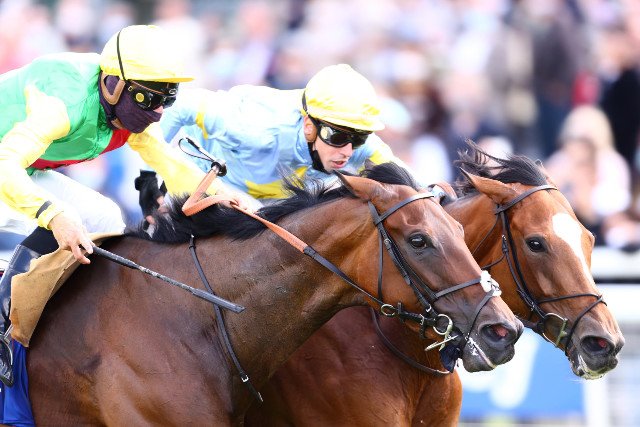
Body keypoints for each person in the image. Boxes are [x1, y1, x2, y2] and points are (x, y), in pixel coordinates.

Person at [0, 24, 245, 390]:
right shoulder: (63, 105)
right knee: (59, 217)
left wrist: (224, 199)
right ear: (113, 85)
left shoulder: (127, 110)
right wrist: (53, 215)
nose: (158, 111)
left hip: (21, 168)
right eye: (149, 99)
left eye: (168, 99)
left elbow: (170, 163)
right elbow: (5, 165)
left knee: (105, 218)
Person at [152, 64, 413, 208]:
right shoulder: (257, 127)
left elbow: (411, 184)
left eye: (359, 138)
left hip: (267, 203)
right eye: (337, 137)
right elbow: (181, 106)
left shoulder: (354, 144)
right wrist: (150, 175)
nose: (348, 151)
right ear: (309, 126)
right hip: (203, 180)